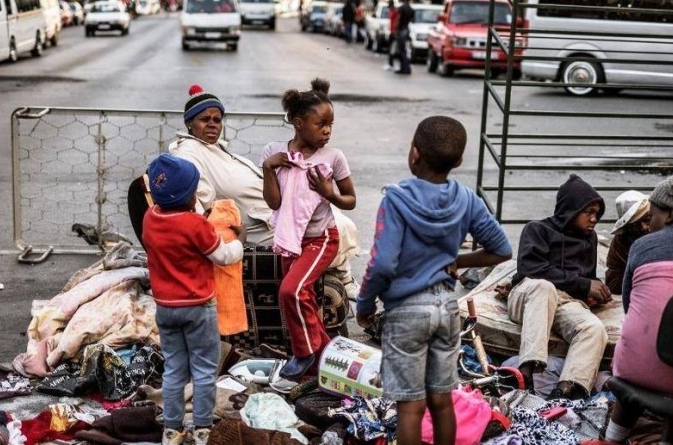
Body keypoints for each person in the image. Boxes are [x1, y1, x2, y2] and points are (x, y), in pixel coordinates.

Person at [356, 116, 512, 445]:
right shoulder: (466, 199)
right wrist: (458, 261)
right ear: (457, 161)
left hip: (407, 313)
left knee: (410, 407)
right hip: (447, 308)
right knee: (442, 401)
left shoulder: (396, 200)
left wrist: (365, 304)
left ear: (414, 154)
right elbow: (501, 249)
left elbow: (382, 263)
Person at [167, 85, 360, 294]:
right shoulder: (188, 153)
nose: (213, 125)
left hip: (272, 211)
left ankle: (338, 277)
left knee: (332, 217)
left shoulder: (212, 146)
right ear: (189, 123)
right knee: (338, 226)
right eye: (205, 120)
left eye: (217, 119)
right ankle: (343, 279)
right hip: (259, 223)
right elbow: (196, 197)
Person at [597, 174, 673, 445]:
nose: (649, 225)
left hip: (636, 371)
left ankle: (612, 439)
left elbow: (629, 305)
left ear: (669, 215)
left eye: (653, 216)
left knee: (637, 358)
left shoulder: (642, 246)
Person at [142, 154, 245, 445]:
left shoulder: (150, 219)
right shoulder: (196, 226)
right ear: (188, 197)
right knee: (203, 369)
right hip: (199, 308)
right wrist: (241, 239)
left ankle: (172, 430)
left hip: (165, 308)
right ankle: (202, 429)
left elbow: (175, 227)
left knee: (174, 369)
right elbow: (224, 256)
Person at [261, 78, 357, 380]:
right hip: (291, 239)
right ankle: (328, 359)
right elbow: (274, 203)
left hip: (321, 238)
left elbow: (351, 200)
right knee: (302, 299)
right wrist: (269, 168)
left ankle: (304, 353)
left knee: (290, 290)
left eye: (331, 124)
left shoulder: (333, 157)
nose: (327, 131)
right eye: (321, 124)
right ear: (298, 123)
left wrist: (329, 194)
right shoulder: (275, 152)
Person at [508, 174, 610, 400]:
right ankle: (526, 374)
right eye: (589, 212)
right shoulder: (537, 229)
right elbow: (531, 269)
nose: (594, 219)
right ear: (571, 210)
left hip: (565, 301)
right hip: (528, 295)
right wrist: (582, 284)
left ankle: (564, 391)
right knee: (544, 288)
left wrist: (592, 291)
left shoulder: (589, 239)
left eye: (597, 214)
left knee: (593, 328)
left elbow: (585, 279)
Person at [604, 190, 650, 295]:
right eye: (635, 224)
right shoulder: (620, 241)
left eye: (647, 219)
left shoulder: (665, 231)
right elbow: (613, 282)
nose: (643, 227)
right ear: (628, 227)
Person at [395, 0, 414, 74]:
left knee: (401, 51)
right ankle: (406, 68)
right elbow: (413, 21)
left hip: (402, 30)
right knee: (406, 51)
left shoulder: (401, 8)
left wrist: (396, 29)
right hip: (407, 31)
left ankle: (404, 68)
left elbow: (398, 19)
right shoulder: (411, 9)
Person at [383, 0, 398, 70]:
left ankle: (391, 64)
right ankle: (390, 63)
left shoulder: (395, 11)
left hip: (394, 33)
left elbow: (396, 21)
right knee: (390, 49)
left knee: (392, 49)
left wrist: (394, 31)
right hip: (391, 32)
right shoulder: (391, 11)